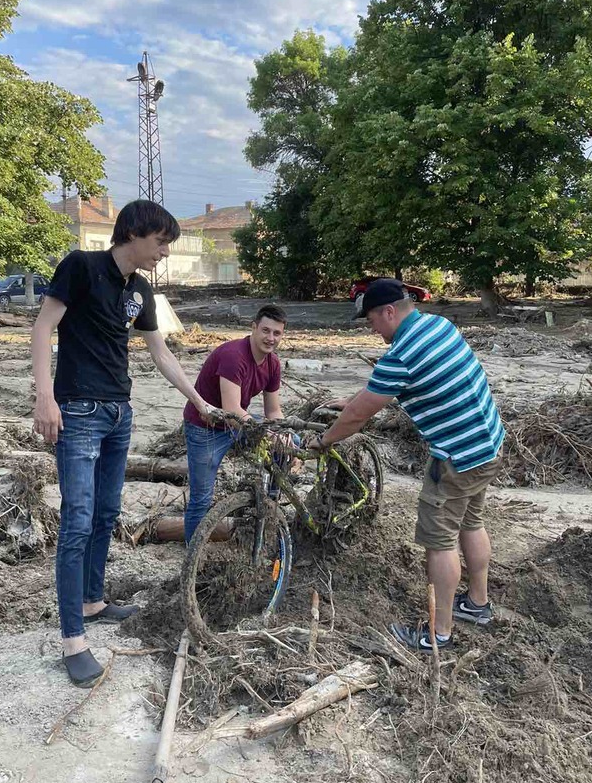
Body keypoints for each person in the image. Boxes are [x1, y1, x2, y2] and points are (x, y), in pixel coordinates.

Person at [31, 199, 212, 687]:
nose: (164, 253)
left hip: (119, 413)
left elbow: (161, 354)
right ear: (133, 232)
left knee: (107, 514)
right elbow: (44, 327)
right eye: (161, 242)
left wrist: (201, 401)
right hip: (78, 411)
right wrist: (44, 399)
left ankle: (92, 601)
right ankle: (72, 639)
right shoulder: (81, 266)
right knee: (77, 520)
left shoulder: (141, 291)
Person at [311, 279, 504, 653]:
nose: (371, 328)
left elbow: (358, 418)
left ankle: (439, 633)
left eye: (371, 320)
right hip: (487, 445)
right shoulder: (438, 325)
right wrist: (350, 399)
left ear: (388, 312)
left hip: (456, 459)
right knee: (472, 521)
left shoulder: (401, 354)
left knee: (440, 542)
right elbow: (377, 393)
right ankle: (478, 604)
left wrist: (322, 441)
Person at [182, 305, 288, 543]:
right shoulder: (234, 356)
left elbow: (273, 410)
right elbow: (231, 410)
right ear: (253, 328)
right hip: (205, 428)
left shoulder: (273, 364)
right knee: (202, 498)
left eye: (277, 333)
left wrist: (280, 432)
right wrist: (265, 431)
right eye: (265, 331)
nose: (270, 338)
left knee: (290, 442)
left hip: (237, 424)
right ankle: (193, 556)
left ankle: (270, 505)